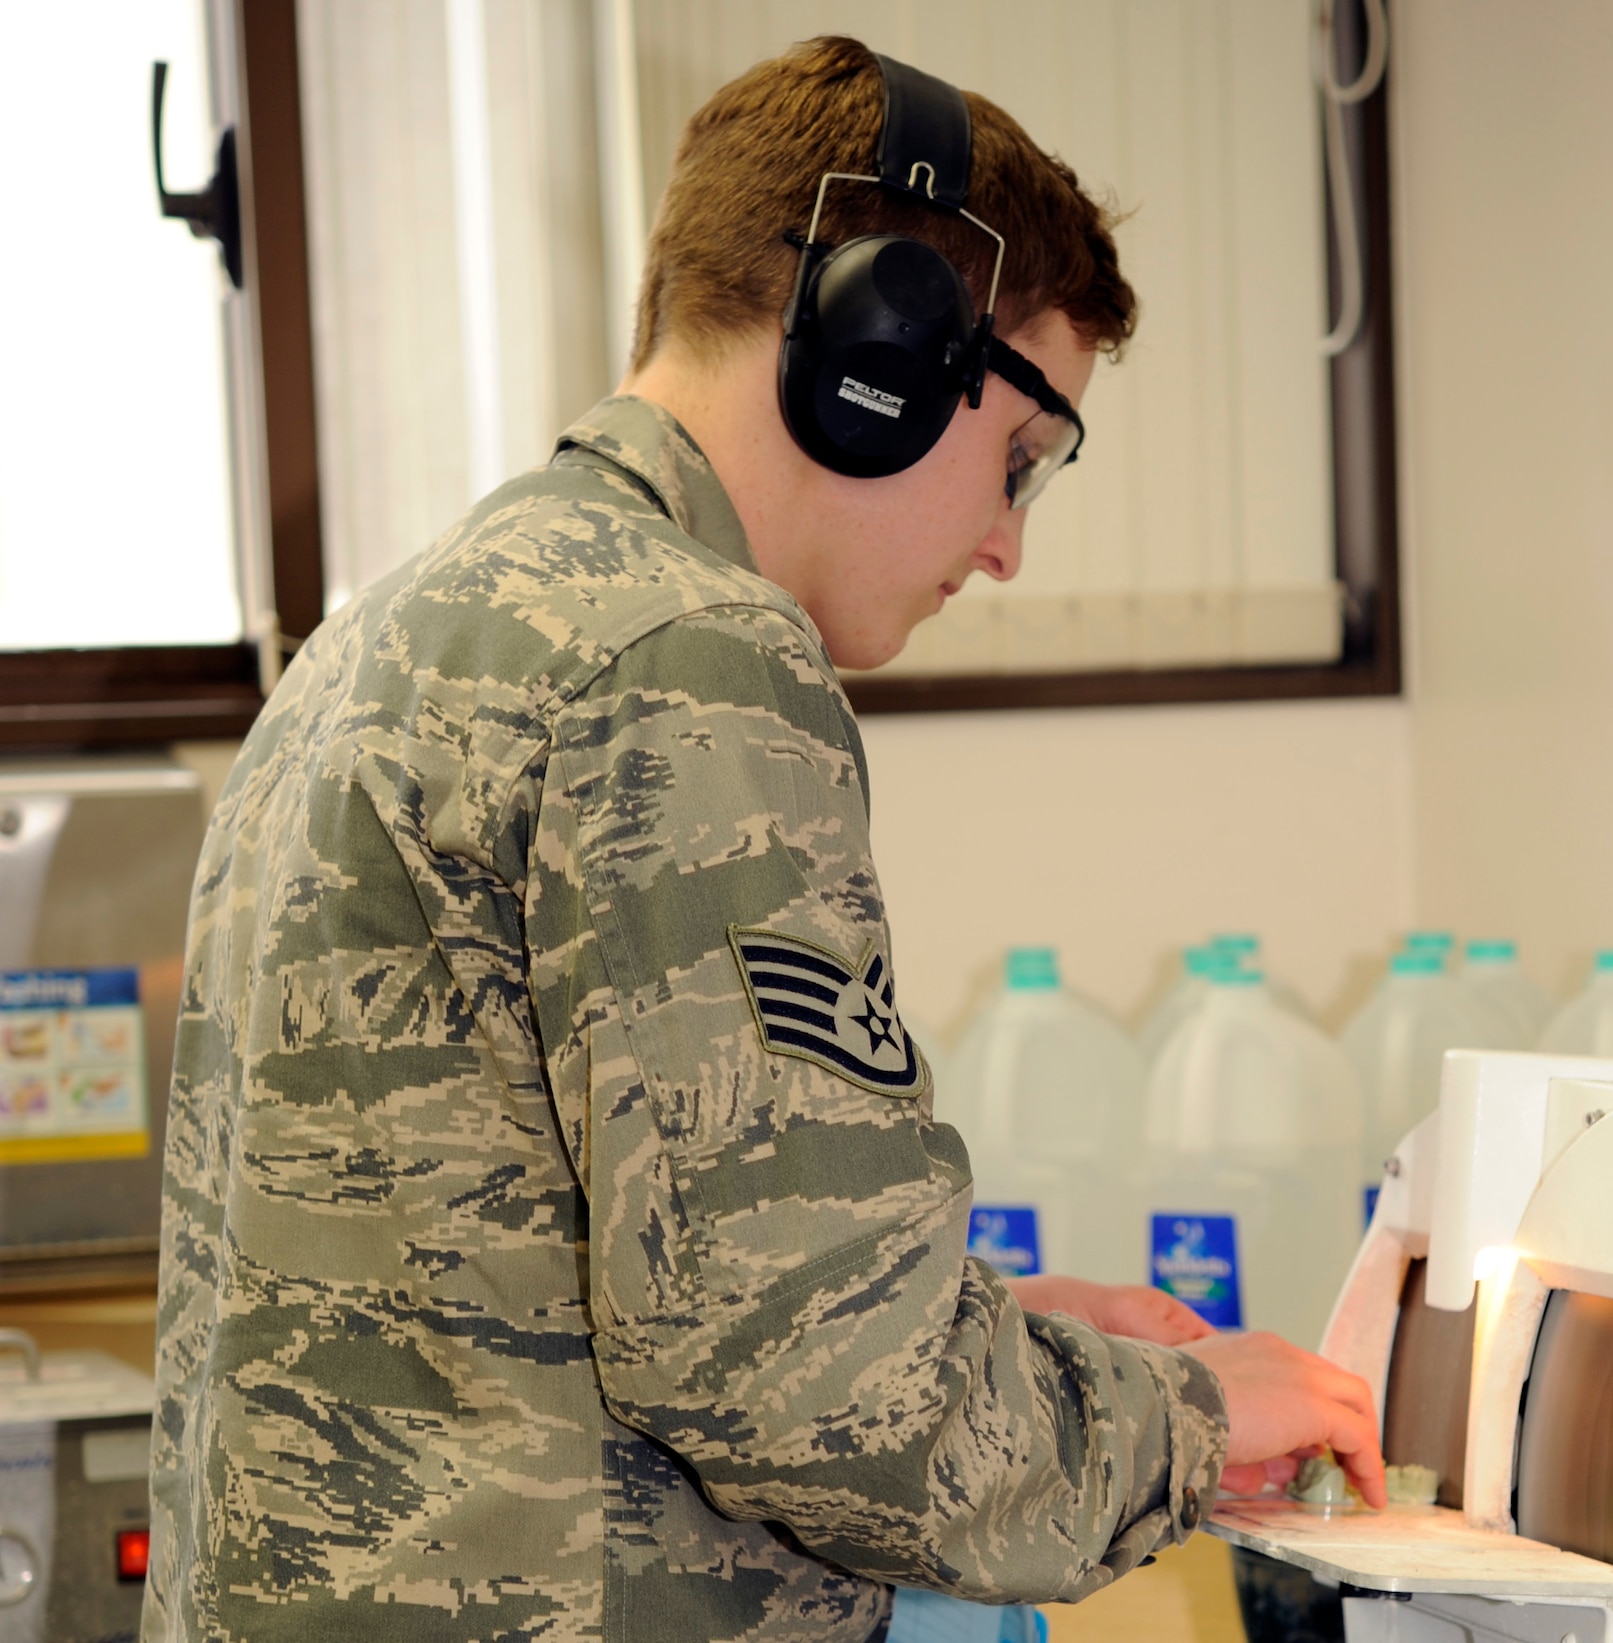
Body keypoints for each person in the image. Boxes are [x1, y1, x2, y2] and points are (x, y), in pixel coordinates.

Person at [144, 36, 1383, 1643]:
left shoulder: (388, 633)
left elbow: (548, 1279)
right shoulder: (688, 658)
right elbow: (823, 1389)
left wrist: (980, 1338)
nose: (1007, 544)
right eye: (1021, 455)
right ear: (888, 354)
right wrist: (1196, 1421)